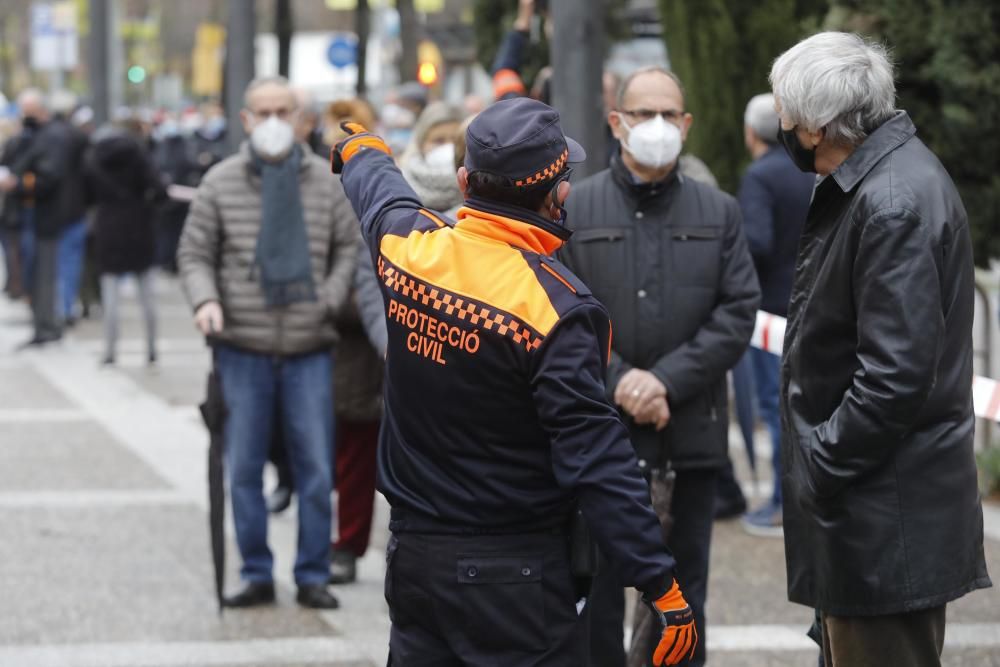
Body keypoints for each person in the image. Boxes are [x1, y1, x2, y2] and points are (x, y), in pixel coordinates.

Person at [331, 96, 697, 665]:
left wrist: (361, 150)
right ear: (557, 194)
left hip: (415, 561)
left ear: (462, 181)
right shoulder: (556, 308)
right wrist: (659, 583)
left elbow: (379, 193)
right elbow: (595, 456)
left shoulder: (409, 249)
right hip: (514, 579)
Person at [771, 32, 992, 667]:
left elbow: (893, 378)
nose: (780, 121)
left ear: (814, 124)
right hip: (875, 515)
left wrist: (817, 463)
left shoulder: (890, 200)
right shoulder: (875, 182)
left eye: (785, 109)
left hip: (884, 520)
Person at [560, 67, 760, 666]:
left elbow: (738, 309)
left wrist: (666, 379)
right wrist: (619, 377)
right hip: (601, 437)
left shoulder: (718, 211)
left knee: (683, 596)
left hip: (688, 432)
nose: (657, 126)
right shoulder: (578, 208)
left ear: (687, 125)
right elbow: (561, 314)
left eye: (669, 114)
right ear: (616, 122)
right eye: (643, 113)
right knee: (595, 594)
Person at [177, 76, 360, 610]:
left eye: (285, 110)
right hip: (241, 347)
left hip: (310, 346)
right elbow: (194, 254)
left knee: (316, 468)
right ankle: (256, 571)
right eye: (265, 111)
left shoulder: (326, 184)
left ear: (302, 119)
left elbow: (349, 246)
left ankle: (311, 574)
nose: (275, 120)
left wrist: (327, 297)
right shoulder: (221, 181)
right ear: (246, 119)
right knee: (244, 468)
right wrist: (205, 300)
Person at [734, 93, 815, 537]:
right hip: (809, 303)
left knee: (775, 404)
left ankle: (784, 504)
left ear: (751, 134)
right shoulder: (811, 171)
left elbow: (758, 242)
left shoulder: (760, 177)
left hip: (768, 312)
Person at [83, 118, 165, 366]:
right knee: (147, 295)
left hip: (108, 226)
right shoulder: (139, 153)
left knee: (110, 296)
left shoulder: (93, 157)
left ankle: (110, 351)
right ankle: (151, 349)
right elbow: (159, 189)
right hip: (139, 223)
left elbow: (87, 195)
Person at [328, 246, 387, 585]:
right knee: (350, 463)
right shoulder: (351, 218)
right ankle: (346, 545)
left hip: (400, 365)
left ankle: (349, 545)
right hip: (354, 366)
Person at [0, 89, 70, 347]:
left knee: (43, 275)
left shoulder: (52, 136)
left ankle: (48, 325)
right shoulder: (30, 136)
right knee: (31, 274)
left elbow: (49, 177)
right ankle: (42, 324)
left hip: (44, 216)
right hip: (29, 215)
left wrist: (18, 184)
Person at [49, 91, 89, 325]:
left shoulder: (48, 136)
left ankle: (60, 307)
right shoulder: (78, 137)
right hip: (75, 207)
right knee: (71, 261)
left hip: (54, 210)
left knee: (57, 261)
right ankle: (66, 307)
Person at [399, 102, 465, 213]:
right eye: (439, 140)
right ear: (421, 144)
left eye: (455, 140)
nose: (448, 147)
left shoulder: (479, 188)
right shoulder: (402, 186)